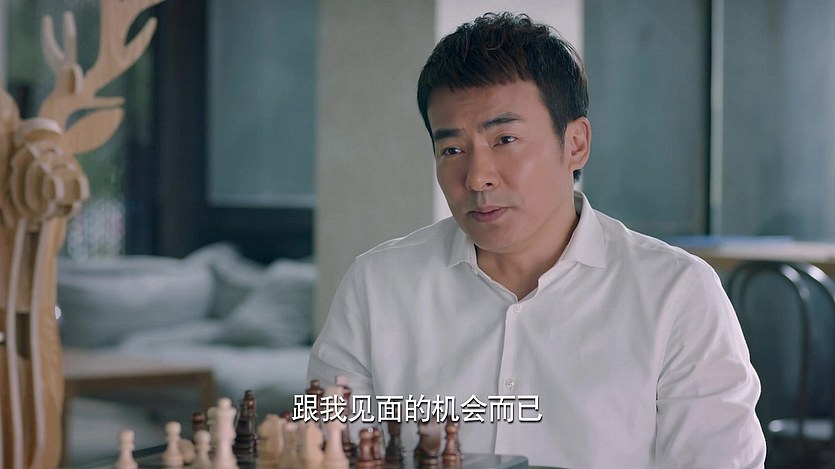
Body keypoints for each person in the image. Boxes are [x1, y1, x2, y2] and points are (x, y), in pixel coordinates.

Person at [307, 12, 766, 468]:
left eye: (505, 139)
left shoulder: (677, 294)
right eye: (452, 149)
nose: (477, 177)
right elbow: (324, 450)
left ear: (575, 143)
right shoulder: (377, 286)